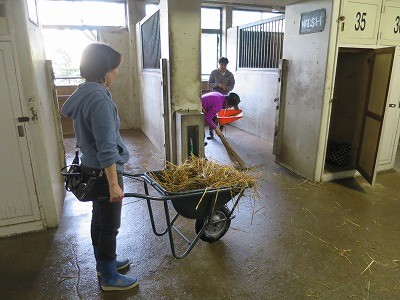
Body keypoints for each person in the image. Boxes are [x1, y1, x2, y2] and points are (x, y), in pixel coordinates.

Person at [61, 43, 138, 291]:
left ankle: (104, 263)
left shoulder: (84, 91)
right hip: (105, 174)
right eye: (115, 68)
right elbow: (106, 148)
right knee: (110, 227)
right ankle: (109, 277)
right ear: (105, 70)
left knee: (99, 219)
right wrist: (114, 184)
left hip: (89, 169)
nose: (117, 73)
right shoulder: (100, 100)